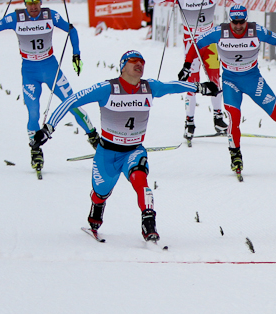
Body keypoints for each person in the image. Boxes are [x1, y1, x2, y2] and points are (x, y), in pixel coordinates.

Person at [31, 50, 219, 242]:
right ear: (123, 66)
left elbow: (172, 86)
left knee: (141, 180)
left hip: (134, 150)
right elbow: (71, 100)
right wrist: (47, 129)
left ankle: (149, 224)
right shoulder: (107, 88)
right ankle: (97, 209)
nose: (139, 64)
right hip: (107, 153)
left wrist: (200, 87)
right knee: (100, 192)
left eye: (142, 62)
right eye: (134, 61)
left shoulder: (149, 87)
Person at [178, 5, 276, 179]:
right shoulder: (220, 31)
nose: (238, 26)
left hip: (253, 79)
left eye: (242, 22)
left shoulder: (256, 30)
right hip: (230, 81)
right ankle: (235, 155)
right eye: (235, 22)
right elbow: (197, 44)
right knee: (234, 117)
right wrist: (187, 66)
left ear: (246, 20)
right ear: (230, 20)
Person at [0, 0, 97, 172]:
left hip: (51, 68)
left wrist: (76, 55)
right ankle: (35, 150)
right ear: (24, 3)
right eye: (29, 3)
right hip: (29, 71)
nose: (33, 7)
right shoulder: (15, 18)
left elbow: (71, 30)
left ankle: (93, 137)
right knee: (33, 113)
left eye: (36, 3)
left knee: (72, 103)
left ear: (41, 2)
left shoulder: (50, 15)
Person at [153, 0, 242, 141]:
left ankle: (218, 118)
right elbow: (156, 0)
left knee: (215, 80)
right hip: (191, 42)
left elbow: (239, 0)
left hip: (209, 42)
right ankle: (189, 121)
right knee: (192, 82)